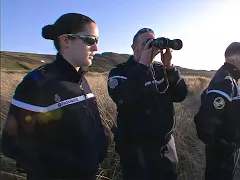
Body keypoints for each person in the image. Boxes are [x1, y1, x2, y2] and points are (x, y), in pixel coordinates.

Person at [1, 13, 109, 180]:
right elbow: (10, 143)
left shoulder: (81, 80)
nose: (96, 48)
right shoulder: (38, 84)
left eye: (97, 41)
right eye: (90, 40)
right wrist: (65, 166)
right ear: (65, 40)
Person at [107, 28, 188, 180]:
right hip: (136, 151)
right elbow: (123, 98)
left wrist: (169, 67)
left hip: (166, 147)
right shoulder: (119, 73)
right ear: (134, 48)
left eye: (154, 42)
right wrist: (143, 65)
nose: (152, 47)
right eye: (146, 43)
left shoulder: (160, 70)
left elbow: (180, 95)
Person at [193, 42, 240, 180]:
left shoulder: (228, 77)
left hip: (225, 151)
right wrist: (221, 144)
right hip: (223, 153)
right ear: (236, 57)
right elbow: (205, 117)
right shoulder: (225, 80)